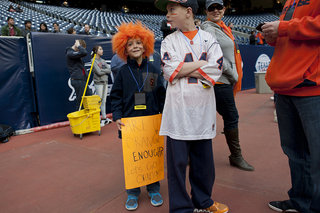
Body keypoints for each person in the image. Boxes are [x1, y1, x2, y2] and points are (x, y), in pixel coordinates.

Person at [155, 0, 228, 212]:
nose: (167, 15)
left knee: (203, 163)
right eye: (167, 11)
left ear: (188, 12)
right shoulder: (169, 40)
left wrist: (183, 69)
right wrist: (201, 65)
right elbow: (169, 71)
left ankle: (203, 202)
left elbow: (217, 69)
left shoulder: (209, 38)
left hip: (202, 108)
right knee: (177, 165)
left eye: (171, 10)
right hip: (178, 110)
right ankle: (180, 208)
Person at [261, 0, 320, 212]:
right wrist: (274, 37)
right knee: (296, 153)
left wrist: (284, 28)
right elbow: (291, 39)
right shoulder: (289, 1)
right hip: (285, 86)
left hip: (313, 87)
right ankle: (301, 202)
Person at [110, 21, 165, 211]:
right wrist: (117, 116)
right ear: (124, 49)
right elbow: (115, 96)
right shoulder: (122, 72)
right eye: (130, 44)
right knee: (132, 158)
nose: (135, 47)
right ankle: (132, 192)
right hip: (129, 123)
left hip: (151, 121)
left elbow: (160, 95)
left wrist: (164, 114)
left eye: (138, 43)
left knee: (152, 156)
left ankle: (154, 189)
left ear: (145, 46)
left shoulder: (153, 70)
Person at [201, 0, 254, 172]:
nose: (215, 10)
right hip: (220, 80)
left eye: (219, 7)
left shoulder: (223, 27)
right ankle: (236, 156)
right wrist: (233, 73)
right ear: (206, 11)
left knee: (206, 118)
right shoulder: (208, 28)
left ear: (224, 9)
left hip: (222, 80)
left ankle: (191, 155)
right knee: (231, 116)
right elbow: (213, 56)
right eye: (211, 8)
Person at [65, 39, 92, 111]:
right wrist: (78, 45)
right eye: (80, 47)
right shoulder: (70, 53)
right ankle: (79, 120)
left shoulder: (74, 54)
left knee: (89, 99)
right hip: (78, 80)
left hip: (82, 80)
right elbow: (84, 52)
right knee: (81, 102)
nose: (80, 50)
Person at [91, 45, 112, 127]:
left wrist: (102, 70)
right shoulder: (93, 60)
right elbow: (98, 72)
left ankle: (104, 118)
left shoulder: (103, 60)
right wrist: (104, 71)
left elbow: (109, 70)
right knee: (99, 101)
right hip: (98, 82)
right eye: (100, 49)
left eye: (102, 49)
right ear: (96, 51)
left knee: (104, 101)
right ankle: (98, 119)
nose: (102, 50)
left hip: (105, 82)